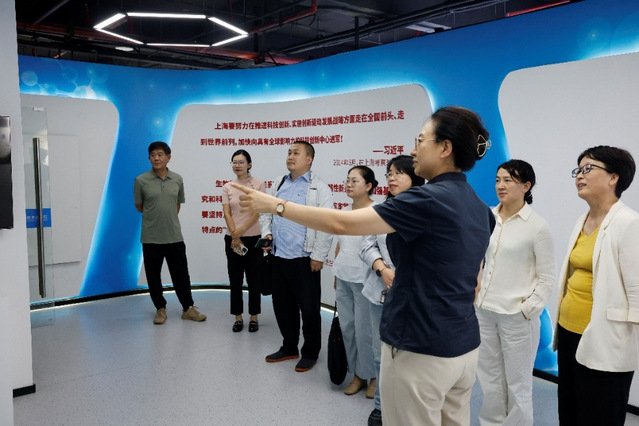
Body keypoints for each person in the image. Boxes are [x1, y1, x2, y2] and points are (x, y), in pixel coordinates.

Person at [235, 106, 495, 425]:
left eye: (420, 140)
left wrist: (274, 205)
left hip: (420, 349)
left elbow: (341, 223)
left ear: (445, 148)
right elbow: (475, 284)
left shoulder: (425, 200)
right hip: (463, 347)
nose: (413, 150)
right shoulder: (480, 208)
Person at [554, 145, 639, 426]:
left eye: (588, 168)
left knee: (600, 415)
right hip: (569, 331)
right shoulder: (583, 219)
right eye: (578, 170)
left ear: (613, 177)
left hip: (605, 338)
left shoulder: (629, 223)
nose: (579, 175)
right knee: (570, 409)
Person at [475, 159, 555, 426]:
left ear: (526, 186)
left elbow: (547, 278)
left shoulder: (537, 226)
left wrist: (528, 309)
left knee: (518, 384)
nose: (501, 185)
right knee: (490, 379)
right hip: (485, 311)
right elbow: (480, 259)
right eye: (498, 180)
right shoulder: (488, 216)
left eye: (508, 180)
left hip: (516, 316)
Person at [359, 155, 425, 426]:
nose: (392, 178)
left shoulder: (426, 209)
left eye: (399, 173)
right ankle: (380, 407)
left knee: (411, 358)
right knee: (381, 354)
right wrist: (382, 269)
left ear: (415, 176)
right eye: (389, 173)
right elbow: (366, 244)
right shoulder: (381, 209)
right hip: (380, 291)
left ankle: (407, 410)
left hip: (414, 296)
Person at [259, 140, 333, 372]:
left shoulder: (319, 187)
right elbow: (266, 212)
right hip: (279, 256)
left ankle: (310, 352)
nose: (290, 156)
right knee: (282, 306)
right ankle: (289, 347)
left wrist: (318, 255)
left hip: (305, 259)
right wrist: (267, 234)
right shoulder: (279, 183)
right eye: (289, 152)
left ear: (309, 159)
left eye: (296, 153)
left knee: (309, 309)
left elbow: (326, 223)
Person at [134, 141, 207, 325]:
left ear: (168, 157)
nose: (156, 158)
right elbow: (140, 206)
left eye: (160, 154)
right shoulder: (141, 180)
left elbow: (177, 205)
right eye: (153, 155)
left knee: (181, 274)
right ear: (149, 158)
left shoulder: (177, 179)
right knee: (153, 276)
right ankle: (160, 308)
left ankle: (188, 308)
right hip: (151, 238)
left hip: (174, 236)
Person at [333, 166, 377, 397]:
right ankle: (357, 374)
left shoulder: (376, 211)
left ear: (369, 186)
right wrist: (335, 274)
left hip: (365, 280)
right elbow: (340, 245)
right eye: (347, 180)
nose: (348, 184)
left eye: (355, 181)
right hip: (343, 277)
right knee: (347, 329)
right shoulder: (344, 211)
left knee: (364, 331)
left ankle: (372, 377)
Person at [222, 149, 265, 333]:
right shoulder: (227, 186)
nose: (237, 165)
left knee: (254, 280)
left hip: (253, 239)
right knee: (235, 280)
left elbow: (257, 212)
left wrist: (240, 231)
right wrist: (235, 235)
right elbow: (227, 212)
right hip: (232, 240)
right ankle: (238, 317)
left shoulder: (259, 184)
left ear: (249, 164)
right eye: (234, 162)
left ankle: (254, 317)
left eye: (241, 162)